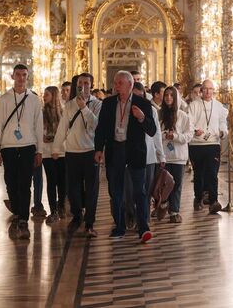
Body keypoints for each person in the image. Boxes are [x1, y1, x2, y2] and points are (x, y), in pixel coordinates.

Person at [94, 71, 157, 242]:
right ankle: (119, 227)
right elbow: (101, 129)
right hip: (115, 149)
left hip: (135, 151)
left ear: (130, 85)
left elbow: (152, 130)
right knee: (116, 192)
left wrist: (142, 118)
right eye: (115, 83)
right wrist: (99, 149)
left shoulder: (143, 103)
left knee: (140, 192)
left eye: (120, 83)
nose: (116, 86)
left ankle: (143, 228)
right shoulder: (107, 103)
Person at [0, 64, 44, 240]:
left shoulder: (35, 100)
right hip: (8, 146)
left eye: (24, 75)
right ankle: (17, 209)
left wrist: (40, 151)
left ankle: (23, 219)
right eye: (18, 75)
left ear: (28, 77)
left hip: (28, 145)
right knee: (11, 182)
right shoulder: (4, 99)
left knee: (25, 183)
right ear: (12, 77)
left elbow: (39, 126)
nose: (21, 78)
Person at [52, 73, 102, 238]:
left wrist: (84, 108)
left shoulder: (97, 104)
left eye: (86, 83)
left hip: (90, 152)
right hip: (72, 152)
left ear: (91, 85)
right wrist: (56, 147)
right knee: (72, 189)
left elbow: (95, 125)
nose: (83, 86)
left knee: (91, 189)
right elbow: (63, 127)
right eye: (80, 83)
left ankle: (89, 222)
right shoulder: (69, 105)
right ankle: (77, 215)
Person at [125, 82, 165, 226]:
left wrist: (161, 155)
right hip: (129, 157)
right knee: (129, 192)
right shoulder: (123, 109)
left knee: (146, 191)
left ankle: (145, 219)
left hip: (148, 157)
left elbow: (157, 134)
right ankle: (131, 215)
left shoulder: (151, 110)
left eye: (140, 96)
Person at [187, 79, 228, 214]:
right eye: (205, 89)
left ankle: (213, 201)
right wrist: (194, 131)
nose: (208, 91)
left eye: (210, 89)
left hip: (213, 143)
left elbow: (222, 123)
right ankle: (198, 198)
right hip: (197, 144)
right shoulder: (194, 105)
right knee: (198, 173)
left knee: (212, 174)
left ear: (213, 90)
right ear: (201, 91)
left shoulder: (218, 106)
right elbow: (189, 123)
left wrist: (223, 132)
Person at [159, 86, 193, 222]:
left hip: (178, 156)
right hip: (164, 155)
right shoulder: (159, 114)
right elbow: (154, 133)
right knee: (163, 184)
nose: (168, 98)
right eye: (166, 95)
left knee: (177, 184)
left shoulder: (183, 116)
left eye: (171, 95)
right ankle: (163, 203)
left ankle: (174, 211)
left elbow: (189, 135)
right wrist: (164, 135)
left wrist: (176, 136)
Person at [36, 86, 67, 224]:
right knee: (51, 181)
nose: (44, 97)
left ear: (54, 95)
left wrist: (55, 140)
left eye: (47, 94)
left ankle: (61, 206)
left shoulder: (63, 111)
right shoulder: (41, 113)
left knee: (62, 181)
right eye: (44, 94)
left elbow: (66, 131)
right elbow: (41, 133)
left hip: (62, 151)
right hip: (48, 152)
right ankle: (53, 210)